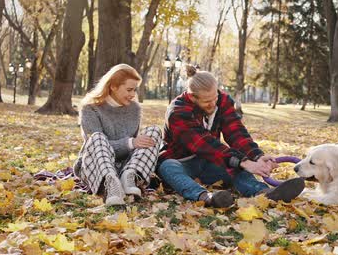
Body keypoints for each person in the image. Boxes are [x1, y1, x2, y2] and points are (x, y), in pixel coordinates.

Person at [157, 65, 304, 208]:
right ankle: (206, 198)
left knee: (234, 167)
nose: (213, 104)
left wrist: (256, 156)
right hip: (181, 162)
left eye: (215, 97)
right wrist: (243, 162)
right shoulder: (177, 112)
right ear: (192, 97)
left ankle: (264, 192)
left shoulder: (222, 101)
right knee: (168, 167)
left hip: (209, 162)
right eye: (207, 101)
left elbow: (236, 132)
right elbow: (204, 144)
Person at [73, 64, 162, 206]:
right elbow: (95, 147)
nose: (133, 94)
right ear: (113, 86)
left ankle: (131, 176)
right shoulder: (90, 109)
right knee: (97, 137)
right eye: (129, 89)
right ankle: (110, 185)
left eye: (135, 90)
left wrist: (135, 144)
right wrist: (130, 143)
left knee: (154, 132)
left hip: (125, 165)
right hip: (96, 166)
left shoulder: (134, 109)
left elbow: (135, 146)